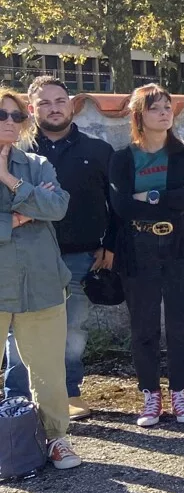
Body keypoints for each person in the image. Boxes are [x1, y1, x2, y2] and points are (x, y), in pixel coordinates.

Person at [2, 76, 115, 420]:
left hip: (80, 254)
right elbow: (45, 203)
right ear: (33, 109)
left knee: (72, 332)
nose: (54, 108)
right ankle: (17, 399)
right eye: (45, 103)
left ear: (71, 105)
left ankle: (69, 392)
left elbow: (112, 204)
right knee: (17, 339)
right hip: (23, 256)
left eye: (59, 100)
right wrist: (25, 212)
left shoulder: (96, 151)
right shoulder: (24, 151)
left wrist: (110, 245)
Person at [108, 85, 184, 427]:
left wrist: (146, 196)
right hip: (138, 248)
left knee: (181, 325)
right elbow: (121, 206)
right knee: (144, 326)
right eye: (156, 108)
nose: (165, 113)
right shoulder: (122, 158)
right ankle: (151, 394)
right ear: (139, 116)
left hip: (182, 246)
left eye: (168, 107)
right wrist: (169, 196)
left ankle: (180, 391)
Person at [0, 86, 81, 469]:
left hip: (43, 281)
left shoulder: (35, 163)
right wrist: (16, 218)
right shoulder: (38, 175)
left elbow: (59, 206)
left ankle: (56, 438)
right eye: (4, 116)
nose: (12, 123)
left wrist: (9, 180)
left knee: (49, 370)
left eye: (18, 116)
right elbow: (41, 205)